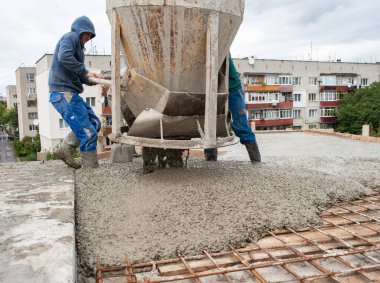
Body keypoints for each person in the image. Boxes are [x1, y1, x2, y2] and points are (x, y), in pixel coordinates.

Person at [49, 16, 104, 169]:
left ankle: (65, 148)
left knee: (94, 124)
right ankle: (90, 170)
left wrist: (94, 78)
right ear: (79, 30)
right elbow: (64, 57)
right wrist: (86, 71)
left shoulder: (79, 50)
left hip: (71, 93)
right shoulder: (70, 37)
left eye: (90, 36)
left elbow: (80, 75)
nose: (88, 37)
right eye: (86, 33)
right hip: (63, 93)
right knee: (88, 133)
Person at [205, 57, 261, 163]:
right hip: (211, 90)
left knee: (241, 125)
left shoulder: (220, 44)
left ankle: (256, 163)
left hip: (233, 88)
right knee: (210, 126)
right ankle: (210, 163)